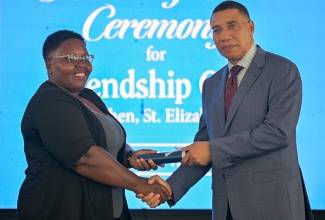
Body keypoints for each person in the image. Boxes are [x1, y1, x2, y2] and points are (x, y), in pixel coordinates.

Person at [138, 1, 314, 220]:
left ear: (250, 27)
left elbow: (277, 133)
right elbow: (203, 146)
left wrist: (212, 150)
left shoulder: (282, 70)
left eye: (232, 26)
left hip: (273, 204)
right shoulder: (211, 84)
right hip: (225, 207)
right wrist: (169, 187)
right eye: (216, 30)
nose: (223, 36)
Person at [17, 29, 170, 220]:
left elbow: (104, 143)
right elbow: (86, 158)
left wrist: (129, 155)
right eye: (71, 58)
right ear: (50, 65)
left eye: (85, 57)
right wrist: (141, 184)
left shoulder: (89, 96)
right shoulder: (50, 101)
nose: (82, 64)